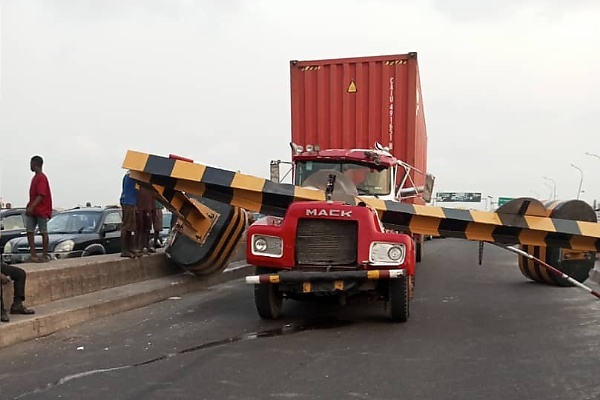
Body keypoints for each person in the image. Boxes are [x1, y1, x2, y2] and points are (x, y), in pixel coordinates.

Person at [26, 155, 53, 263]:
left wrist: (32, 206)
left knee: (43, 232)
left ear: (35, 164)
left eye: (31, 164)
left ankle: (44, 255)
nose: (30, 166)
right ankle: (33, 255)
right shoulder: (35, 178)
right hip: (33, 209)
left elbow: (41, 194)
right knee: (29, 231)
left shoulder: (41, 177)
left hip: (41, 209)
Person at [119, 171, 139, 258]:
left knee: (131, 227)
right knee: (127, 226)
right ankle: (125, 250)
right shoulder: (132, 176)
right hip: (128, 202)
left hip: (130, 202)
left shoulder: (128, 176)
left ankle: (130, 249)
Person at [136, 186, 155, 254]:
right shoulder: (138, 186)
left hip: (148, 209)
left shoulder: (150, 187)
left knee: (147, 229)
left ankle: (146, 247)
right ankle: (139, 247)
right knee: (140, 227)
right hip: (140, 208)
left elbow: (153, 199)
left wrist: (153, 210)